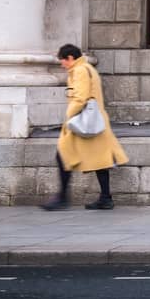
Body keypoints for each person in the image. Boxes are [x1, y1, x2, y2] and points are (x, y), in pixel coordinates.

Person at [43, 44, 128, 211]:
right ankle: (105, 198)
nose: (62, 65)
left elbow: (80, 98)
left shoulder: (80, 70)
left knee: (63, 155)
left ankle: (62, 198)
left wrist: (68, 117)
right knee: (100, 160)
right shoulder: (87, 68)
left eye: (62, 61)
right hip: (93, 121)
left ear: (69, 58)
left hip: (83, 121)